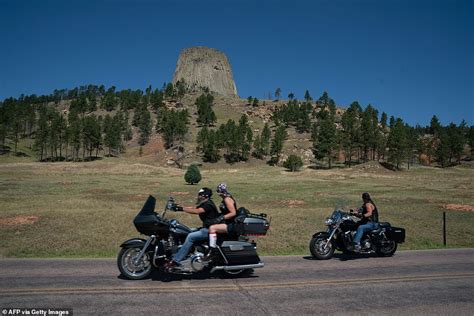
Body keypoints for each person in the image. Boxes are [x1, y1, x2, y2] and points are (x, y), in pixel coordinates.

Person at [166, 187, 220, 268]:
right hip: (206, 228)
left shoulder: (208, 205)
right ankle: (185, 254)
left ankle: (176, 260)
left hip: (209, 230)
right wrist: (178, 207)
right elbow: (194, 208)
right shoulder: (205, 203)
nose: (198, 196)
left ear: (204, 196)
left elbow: (197, 211)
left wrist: (181, 209)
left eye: (199, 195)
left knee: (190, 237)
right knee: (186, 231)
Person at [204, 183, 237, 260]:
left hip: (230, 224)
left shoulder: (227, 199)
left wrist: (221, 218)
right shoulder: (225, 198)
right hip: (227, 222)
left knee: (212, 228)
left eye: (218, 190)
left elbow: (233, 213)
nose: (217, 192)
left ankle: (212, 250)